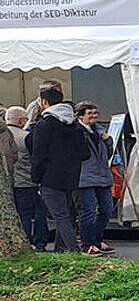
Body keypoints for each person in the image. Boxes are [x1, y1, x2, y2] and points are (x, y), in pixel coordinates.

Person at [29, 89, 90, 254]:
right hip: (71, 176)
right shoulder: (74, 124)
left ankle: (74, 251)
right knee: (66, 215)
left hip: (49, 176)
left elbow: (39, 154)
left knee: (60, 216)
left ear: (44, 102)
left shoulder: (44, 124)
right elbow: (85, 153)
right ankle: (60, 251)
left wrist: (36, 176)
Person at [74, 103, 115, 256]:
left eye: (95, 112)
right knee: (88, 210)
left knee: (107, 209)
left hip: (102, 175)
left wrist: (108, 141)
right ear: (80, 116)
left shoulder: (100, 131)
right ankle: (87, 244)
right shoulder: (76, 132)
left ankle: (96, 240)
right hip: (85, 176)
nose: (94, 116)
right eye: (90, 113)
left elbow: (108, 154)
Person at [0, 106, 43, 250]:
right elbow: (35, 159)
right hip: (25, 181)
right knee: (28, 214)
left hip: (7, 182)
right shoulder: (26, 137)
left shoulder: (4, 134)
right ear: (21, 121)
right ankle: (29, 242)